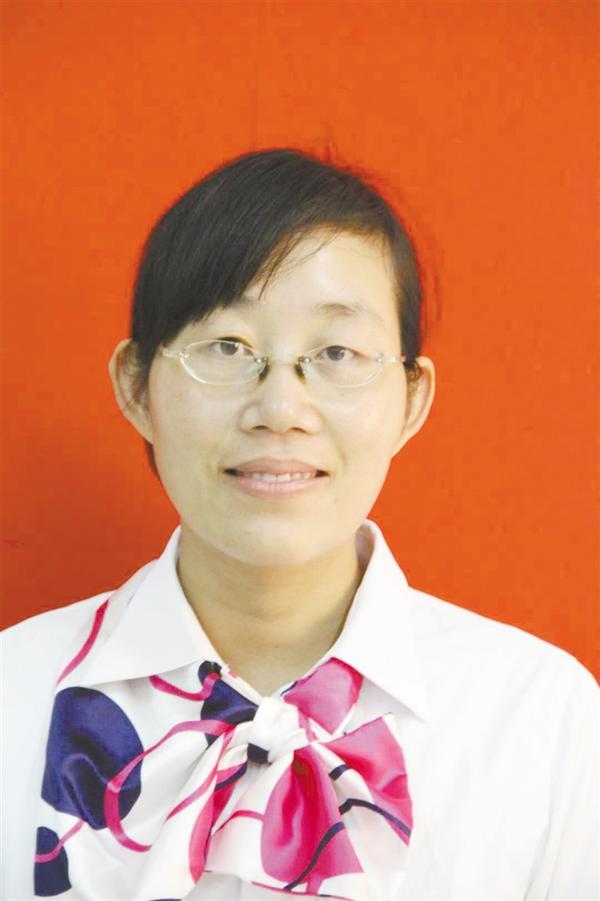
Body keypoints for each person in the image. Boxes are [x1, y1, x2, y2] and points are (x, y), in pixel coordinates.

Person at [1, 147, 597, 901]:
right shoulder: (12, 696)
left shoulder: (541, 720)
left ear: (411, 399)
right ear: (136, 387)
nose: (281, 410)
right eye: (227, 348)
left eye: (337, 352)